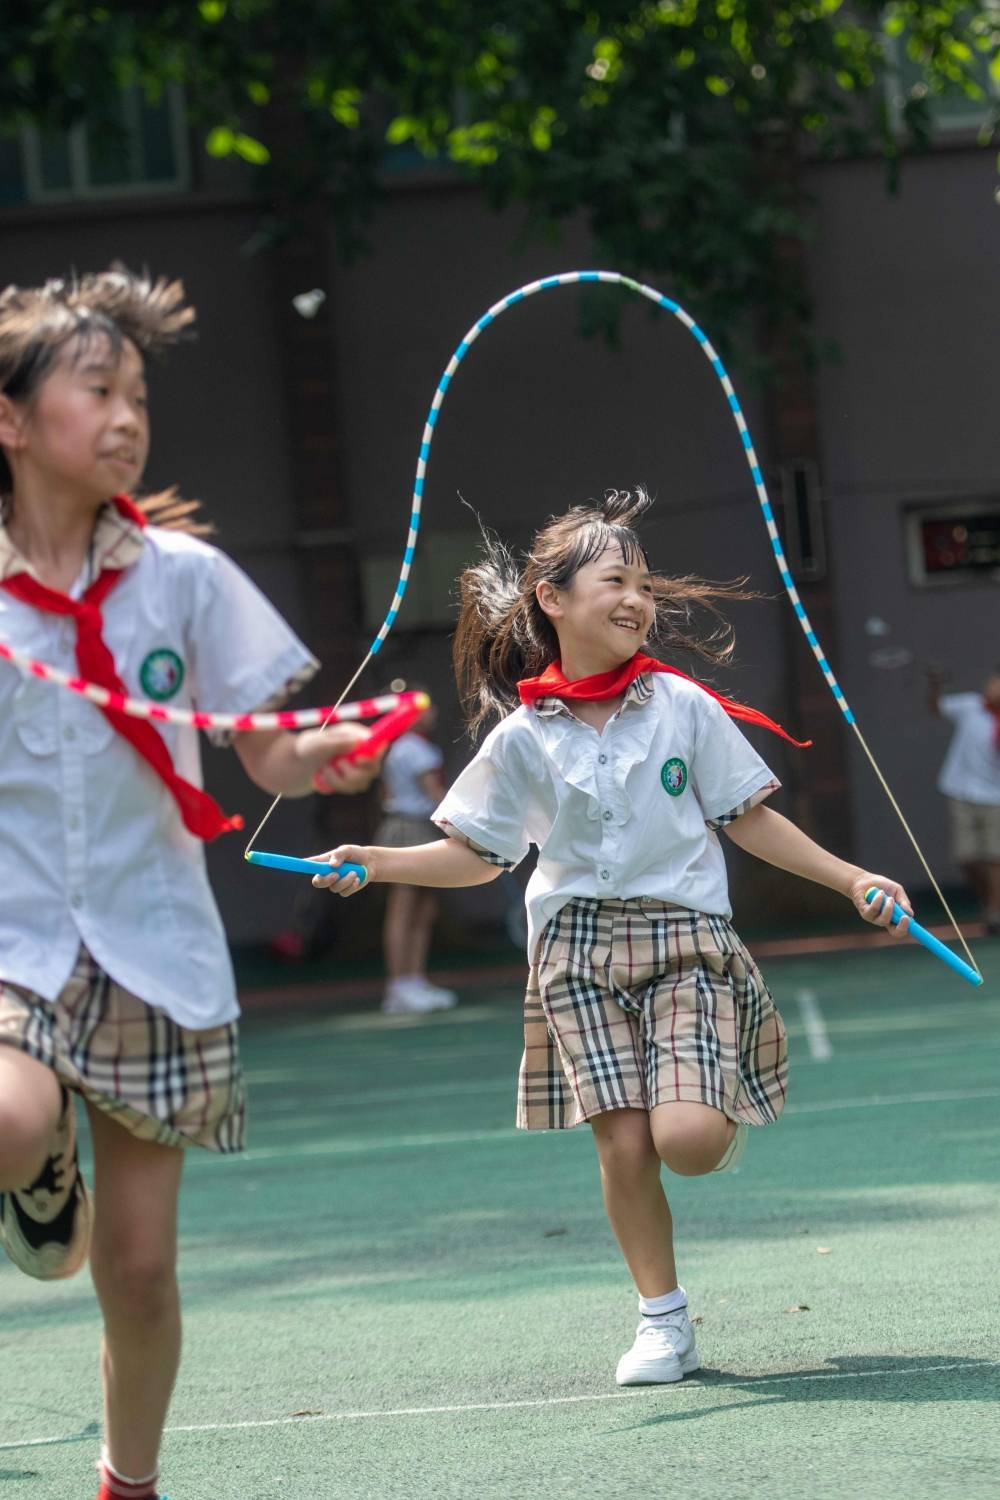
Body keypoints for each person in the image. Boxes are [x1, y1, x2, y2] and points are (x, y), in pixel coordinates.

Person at [314, 487, 913, 1388]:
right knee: (623, 1145)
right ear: (552, 598)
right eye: (615, 579)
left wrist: (852, 879)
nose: (638, 598)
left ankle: (713, 1117)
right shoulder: (521, 734)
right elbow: (478, 856)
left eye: (643, 582)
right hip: (572, 953)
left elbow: (749, 819)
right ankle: (663, 1321)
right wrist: (377, 858)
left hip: (686, 940)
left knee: (688, 1143)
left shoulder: (680, 705)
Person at [0, 267, 379, 1500]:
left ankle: (130, 1483)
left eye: (139, 398)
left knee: (143, 1274)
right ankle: (35, 1159)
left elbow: (254, 743)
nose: (125, 418)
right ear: (11, 420)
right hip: (13, 938)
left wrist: (308, 758)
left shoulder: (186, 578)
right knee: (10, 1117)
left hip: (157, 948)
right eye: (96, 390)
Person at [374, 686, 458, 1013]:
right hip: (408, 828)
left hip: (421, 827)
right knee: (404, 906)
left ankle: (415, 980)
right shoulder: (414, 750)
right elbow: (437, 794)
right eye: (423, 707)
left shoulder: (408, 747)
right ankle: (399, 985)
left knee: (425, 907)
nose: (431, 712)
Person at [927, 664, 1000, 934]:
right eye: (993, 681)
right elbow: (936, 708)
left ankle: (995, 913)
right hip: (961, 791)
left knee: (995, 858)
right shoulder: (972, 706)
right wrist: (934, 685)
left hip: (995, 796)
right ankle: (989, 901)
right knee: (967, 857)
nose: (992, 687)